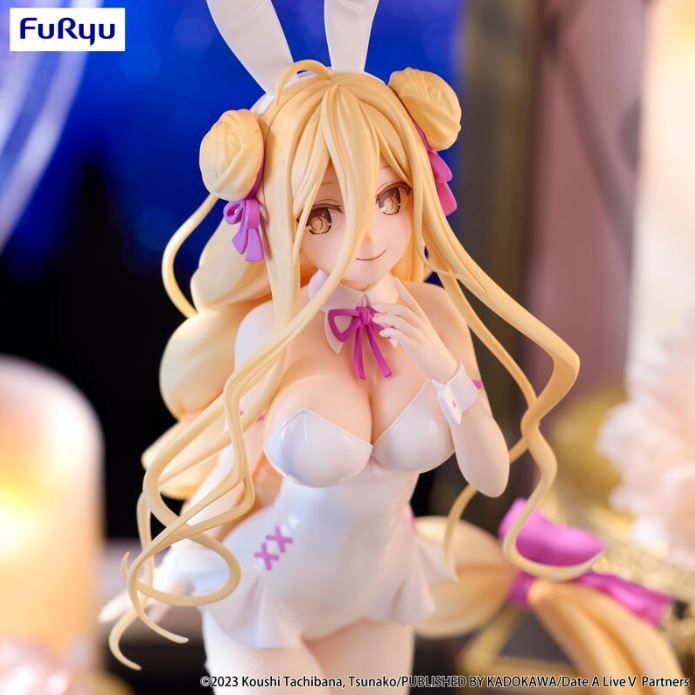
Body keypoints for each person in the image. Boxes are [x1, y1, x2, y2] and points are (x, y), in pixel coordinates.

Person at [102, 2, 589, 692]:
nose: (368, 236)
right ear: (278, 218)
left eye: (389, 198)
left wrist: (444, 370)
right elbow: (235, 473)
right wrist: (174, 564)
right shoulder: (271, 330)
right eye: (326, 214)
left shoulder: (435, 313)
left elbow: (489, 476)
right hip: (266, 582)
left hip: (377, 589)